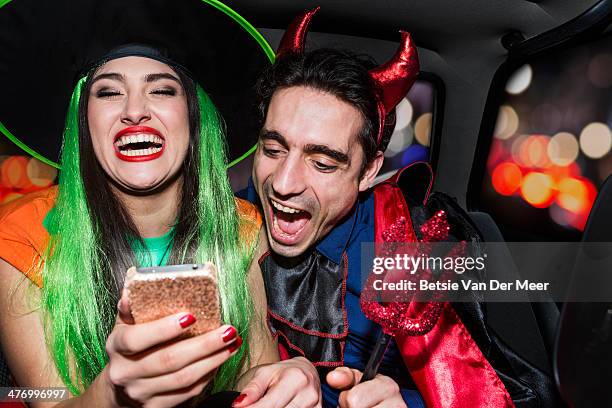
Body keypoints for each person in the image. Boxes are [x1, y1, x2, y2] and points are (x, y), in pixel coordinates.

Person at [0, 1, 322, 407]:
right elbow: (43, 398)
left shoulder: (243, 228)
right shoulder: (20, 236)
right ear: (83, 121)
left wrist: (290, 375)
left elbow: (250, 373)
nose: (135, 111)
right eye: (109, 91)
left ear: (193, 116)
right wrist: (114, 391)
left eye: (162, 89)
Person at [236, 7, 560, 408]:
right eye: (273, 149)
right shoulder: (230, 220)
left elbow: (507, 391)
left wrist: (409, 402)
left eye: (322, 163)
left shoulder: (422, 247)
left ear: (369, 170)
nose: (283, 184)